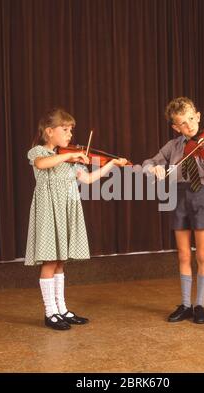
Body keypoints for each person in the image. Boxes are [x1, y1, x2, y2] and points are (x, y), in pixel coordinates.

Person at [25, 108, 127, 330]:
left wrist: (111, 164)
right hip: (49, 210)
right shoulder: (39, 152)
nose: (70, 134)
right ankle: (49, 312)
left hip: (67, 209)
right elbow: (42, 164)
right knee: (50, 261)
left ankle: (61, 309)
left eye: (71, 130)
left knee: (61, 262)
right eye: (65, 129)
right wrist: (69, 155)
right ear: (49, 131)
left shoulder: (71, 159)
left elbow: (89, 179)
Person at [142, 97, 204, 324]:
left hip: (202, 196)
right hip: (178, 198)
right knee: (183, 254)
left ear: (198, 116)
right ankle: (185, 304)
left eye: (192, 119)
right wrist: (154, 170)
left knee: (201, 253)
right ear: (175, 127)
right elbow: (148, 162)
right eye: (182, 123)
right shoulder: (173, 147)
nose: (189, 125)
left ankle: (200, 304)